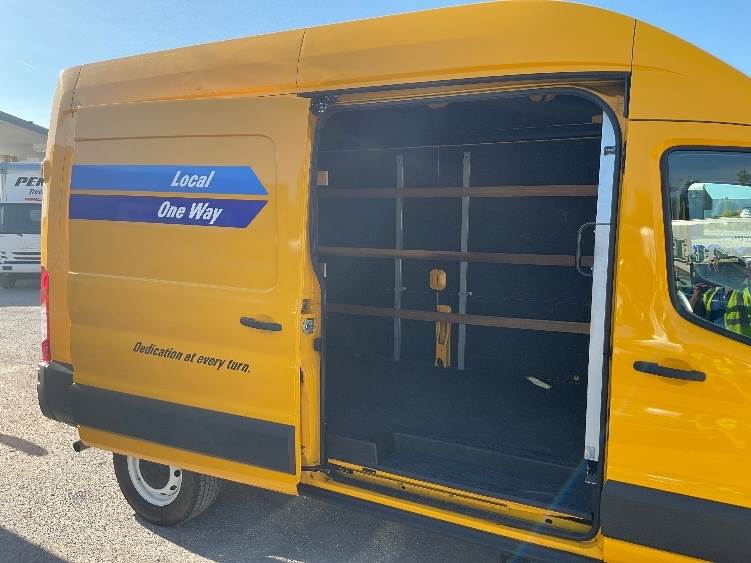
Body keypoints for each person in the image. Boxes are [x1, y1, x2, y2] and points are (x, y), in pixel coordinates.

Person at [688, 258, 751, 337]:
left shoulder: (746, 292)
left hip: (740, 341)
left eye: (731, 271)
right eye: (724, 270)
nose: (727, 274)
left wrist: (733, 265)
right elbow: (689, 316)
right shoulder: (710, 294)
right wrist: (696, 295)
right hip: (716, 341)